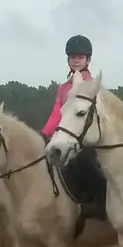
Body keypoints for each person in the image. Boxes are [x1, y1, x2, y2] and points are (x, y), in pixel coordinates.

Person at [43, 34, 105, 218]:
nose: (76, 61)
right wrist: (44, 134)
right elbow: (57, 114)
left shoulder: (91, 86)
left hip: (87, 138)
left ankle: (98, 203)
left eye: (80, 57)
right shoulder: (63, 88)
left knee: (86, 162)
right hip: (67, 136)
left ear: (88, 60)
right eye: (73, 57)